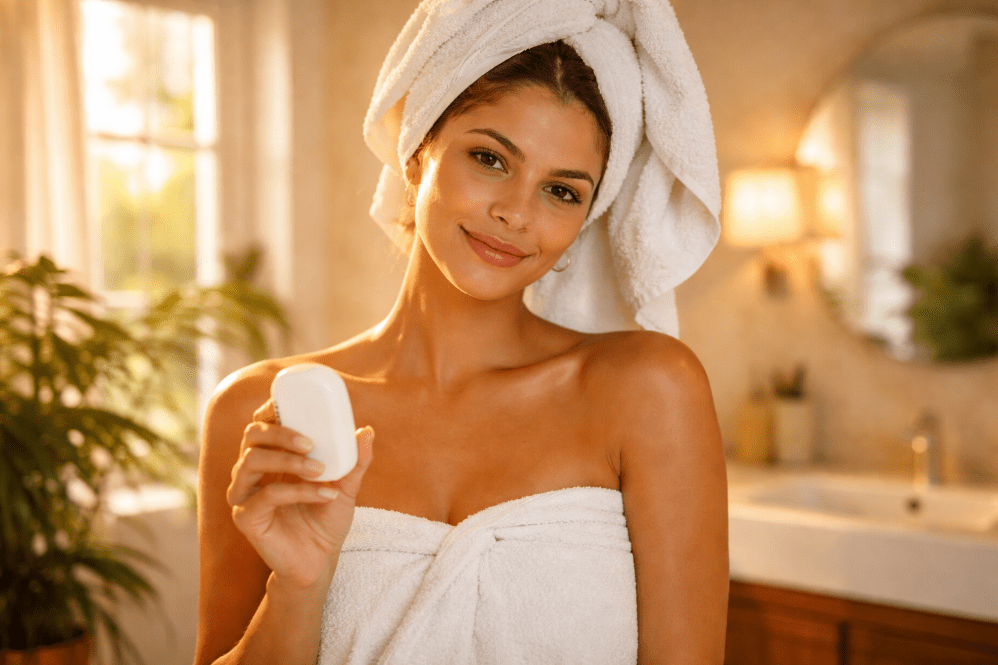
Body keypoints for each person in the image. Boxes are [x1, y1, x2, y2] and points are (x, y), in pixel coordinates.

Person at [194, 2, 728, 664]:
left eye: (562, 192)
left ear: (584, 221)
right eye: (490, 158)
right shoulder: (262, 414)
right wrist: (297, 589)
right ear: (417, 153)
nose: (516, 213)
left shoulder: (649, 390)